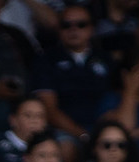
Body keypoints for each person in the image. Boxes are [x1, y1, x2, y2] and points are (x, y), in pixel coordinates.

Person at [37, 4, 114, 141]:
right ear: (58, 29)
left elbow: (116, 100)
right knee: (65, 146)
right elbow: (49, 109)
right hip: (63, 130)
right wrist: (83, 135)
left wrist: (100, 134)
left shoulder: (106, 59)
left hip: (103, 129)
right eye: (66, 25)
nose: (73, 29)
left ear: (92, 28)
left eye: (81, 24)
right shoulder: (46, 60)